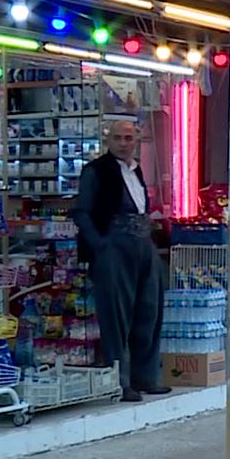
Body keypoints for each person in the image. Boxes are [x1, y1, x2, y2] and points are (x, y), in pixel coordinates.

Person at [71, 120, 168, 402]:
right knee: (116, 316)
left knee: (149, 310)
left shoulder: (136, 170)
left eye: (128, 138)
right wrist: (100, 246)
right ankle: (120, 381)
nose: (124, 143)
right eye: (118, 138)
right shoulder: (95, 171)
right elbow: (81, 212)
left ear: (136, 140)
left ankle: (145, 377)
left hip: (142, 243)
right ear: (108, 140)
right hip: (114, 245)